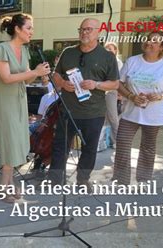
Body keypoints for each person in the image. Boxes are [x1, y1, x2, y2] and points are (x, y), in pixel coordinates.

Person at [47, 18, 119, 188]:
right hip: (68, 110)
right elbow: (56, 76)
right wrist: (63, 83)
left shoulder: (107, 57)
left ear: (98, 32)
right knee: (60, 146)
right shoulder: (68, 52)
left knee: (89, 148)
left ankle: (83, 180)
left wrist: (97, 84)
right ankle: (55, 180)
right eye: (81, 29)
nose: (84, 32)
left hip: (94, 112)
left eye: (88, 29)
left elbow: (115, 84)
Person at [0, 13, 50, 203]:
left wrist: (40, 73)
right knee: (9, 143)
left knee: (17, 142)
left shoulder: (24, 51)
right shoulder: (2, 49)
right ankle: (3, 187)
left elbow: (26, 78)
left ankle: (9, 185)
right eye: (29, 28)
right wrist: (34, 71)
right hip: (6, 102)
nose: (32, 32)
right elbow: (6, 78)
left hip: (19, 100)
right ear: (17, 29)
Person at [112, 31, 163, 185]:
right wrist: (131, 96)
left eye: (155, 41)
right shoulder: (132, 61)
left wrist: (160, 96)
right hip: (130, 112)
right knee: (122, 142)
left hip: (154, 114)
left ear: (162, 46)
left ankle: (144, 180)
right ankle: (121, 180)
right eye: (149, 39)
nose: (150, 43)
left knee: (148, 147)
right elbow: (119, 83)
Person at [97, 42, 124, 151]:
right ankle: (100, 142)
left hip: (112, 91)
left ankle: (117, 141)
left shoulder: (118, 62)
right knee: (101, 117)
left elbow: (120, 80)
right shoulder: (101, 61)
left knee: (113, 117)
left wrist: (120, 93)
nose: (108, 50)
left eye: (110, 48)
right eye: (106, 48)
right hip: (100, 91)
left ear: (115, 50)